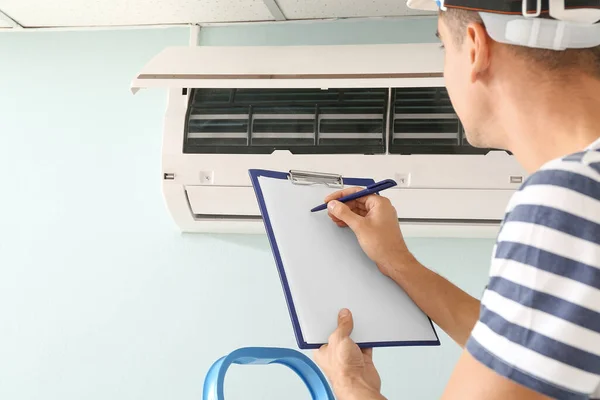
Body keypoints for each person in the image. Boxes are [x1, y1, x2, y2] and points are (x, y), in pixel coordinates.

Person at [313, 1, 600, 399]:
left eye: (443, 49)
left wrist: (348, 384)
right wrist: (398, 263)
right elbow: (527, 347)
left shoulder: (567, 200)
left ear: (475, 45)